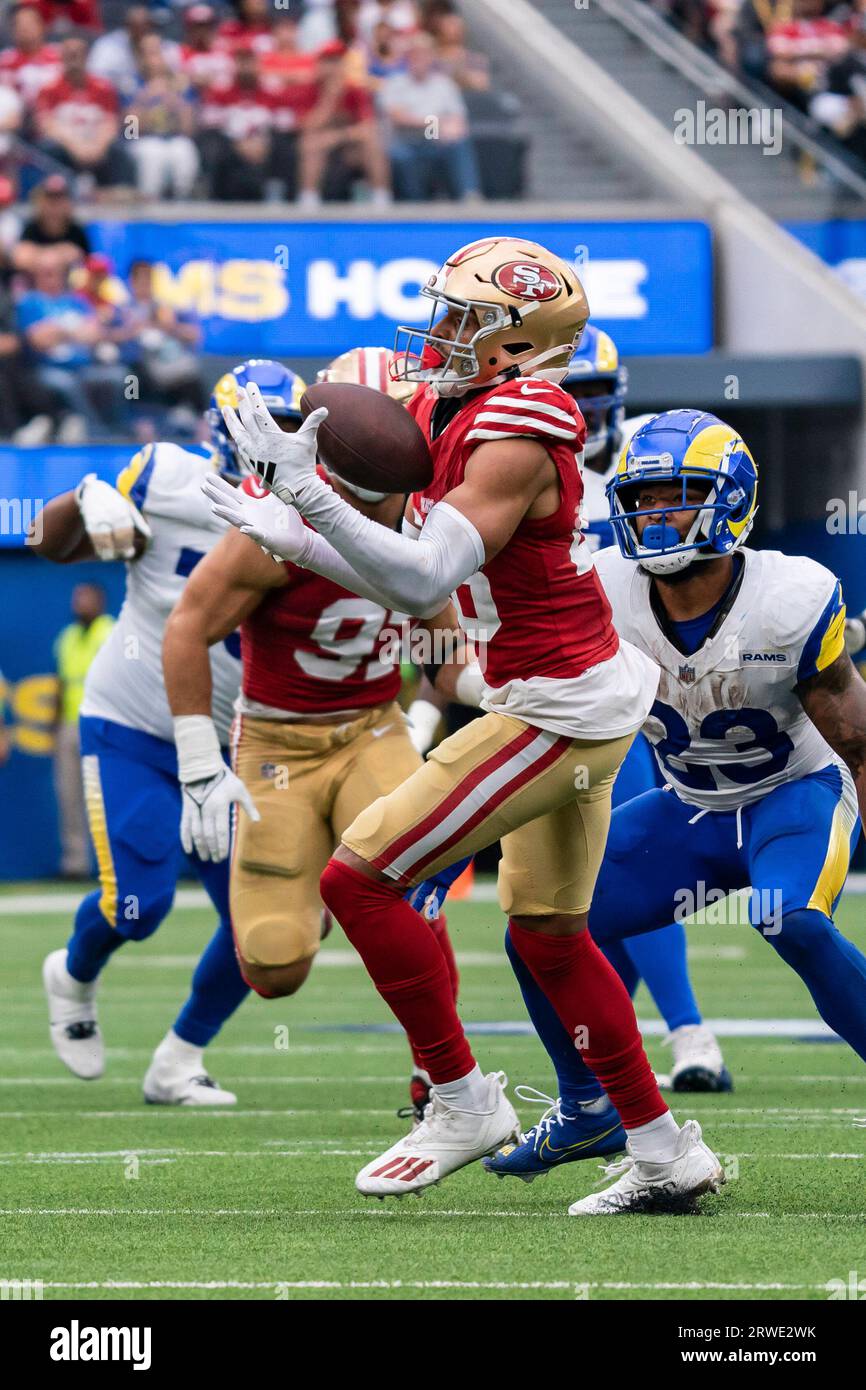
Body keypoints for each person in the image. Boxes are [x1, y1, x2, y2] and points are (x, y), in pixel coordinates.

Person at [210, 235, 725, 1216]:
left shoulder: (522, 419)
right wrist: (302, 540)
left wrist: (308, 501)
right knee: (547, 933)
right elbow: (407, 568)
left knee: (356, 878)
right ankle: (663, 1151)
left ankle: (458, 1097)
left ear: (513, 341)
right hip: (569, 692)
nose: (439, 329)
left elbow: (423, 577)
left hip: (553, 708)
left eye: (462, 316)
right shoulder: (468, 404)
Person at [485, 409, 866, 1184]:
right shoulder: (600, 591)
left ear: (732, 501)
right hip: (688, 807)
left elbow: (855, 740)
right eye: (644, 498)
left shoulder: (789, 597)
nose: (656, 515)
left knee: (786, 918)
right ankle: (587, 1107)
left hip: (792, 793)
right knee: (538, 926)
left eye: (678, 496)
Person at [169, 354, 466, 1119]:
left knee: (418, 898)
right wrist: (201, 766)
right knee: (273, 964)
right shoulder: (275, 526)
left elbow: (443, 634)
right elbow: (187, 628)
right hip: (278, 747)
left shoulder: (430, 512)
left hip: (374, 727)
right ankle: (321, 887)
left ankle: (443, 1080)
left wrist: (432, 713)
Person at [29, 364, 280, 1103]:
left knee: (263, 932)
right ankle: (73, 973)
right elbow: (47, 541)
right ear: (216, 432)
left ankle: (178, 1059)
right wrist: (82, 500)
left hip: (241, 739)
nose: (270, 443)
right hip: (136, 719)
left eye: (287, 430)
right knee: (139, 906)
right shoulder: (167, 475)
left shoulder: (320, 509)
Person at [16, 247, 128, 439]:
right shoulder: (30, 302)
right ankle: (96, 433)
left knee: (124, 377)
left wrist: (57, 331)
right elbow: (38, 340)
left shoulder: (76, 301)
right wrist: (74, 331)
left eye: (55, 272)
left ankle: (121, 425)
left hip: (84, 366)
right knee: (68, 383)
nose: (50, 278)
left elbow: (94, 335)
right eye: (45, 273)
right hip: (45, 369)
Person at [52, 583, 114, 879]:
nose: (80, 604)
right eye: (77, 598)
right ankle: (75, 863)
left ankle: (113, 861)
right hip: (69, 724)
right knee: (69, 795)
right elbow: (61, 683)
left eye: (87, 598)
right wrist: (55, 727)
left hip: (102, 722)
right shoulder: (68, 637)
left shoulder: (110, 631)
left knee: (105, 794)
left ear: (100, 602)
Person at [379, 31, 480, 201]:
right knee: (401, 155)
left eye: (424, 54)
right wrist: (434, 122)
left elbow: (457, 117)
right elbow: (398, 118)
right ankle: (414, 205)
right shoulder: (395, 83)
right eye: (415, 54)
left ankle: (469, 195)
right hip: (404, 140)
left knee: (459, 141)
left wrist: (452, 130)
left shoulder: (444, 84)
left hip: (435, 137)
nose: (420, 59)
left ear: (432, 58)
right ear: (408, 57)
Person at [34, 33, 134, 195]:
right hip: (66, 146)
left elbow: (111, 123)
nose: (74, 59)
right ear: (62, 57)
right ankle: (54, 198)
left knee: (121, 148)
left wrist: (97, 147)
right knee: (48, 149)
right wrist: (76, 147)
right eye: (69, 54)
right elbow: (47, 125)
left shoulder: (104, 88)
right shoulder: (48, 89)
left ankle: (122, 197)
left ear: (87, 56)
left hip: (96, 144)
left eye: (78, 54)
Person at [297, 40, 390, 207]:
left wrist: (337, 136)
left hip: (349, 147)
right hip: (321, 147)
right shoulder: (309, 89)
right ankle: (308, 199)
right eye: (329, 61)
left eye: (338, 61)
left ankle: (380, 198)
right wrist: (330, 98)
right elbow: (307, 127)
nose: (334, 67)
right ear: (319, 64)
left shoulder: (355, 90)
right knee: (310, 144)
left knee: (373, 142)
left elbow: (367, 127)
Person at [125, 33, 200, 199]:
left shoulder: (181, 83)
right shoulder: (132, 84)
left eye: (157, 53)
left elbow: (189, 129)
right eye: (148, 54)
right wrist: (145, 98)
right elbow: (130, 132)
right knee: (153, 156)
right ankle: (150, 209)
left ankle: (183, 204)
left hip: (175, 139)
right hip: (144, 141)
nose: (154, 59)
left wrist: (174, 99)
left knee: (184, 152)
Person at [13, 174, 91, 279]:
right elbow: (20, 258)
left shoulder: (77, 231)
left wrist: (37, 255)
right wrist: (56, 255)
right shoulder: (31, 228)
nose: (54, 206)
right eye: (49, 200)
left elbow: (83, 260)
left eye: (59, 200)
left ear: (68, 203)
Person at [0, 4, 62, 107]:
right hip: (16, 115)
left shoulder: (60, 56)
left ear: (42, 26)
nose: (25, 29)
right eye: (20, 25)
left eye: (29, 23)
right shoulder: (4, 62)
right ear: (12, 30)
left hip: (54, 113)